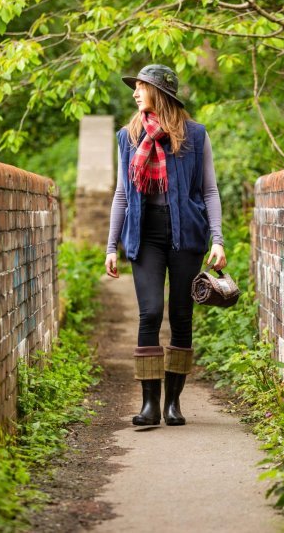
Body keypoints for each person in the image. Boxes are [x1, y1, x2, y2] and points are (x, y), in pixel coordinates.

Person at [104, 64, 226, 427]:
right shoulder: (127, 137)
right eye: (135, 87)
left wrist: (217, 239)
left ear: (160, 93)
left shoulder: (195, 136)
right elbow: (122, 193)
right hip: (144, 236)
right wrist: (112, 245)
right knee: (151, 312)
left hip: (186, 235)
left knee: (182, 316)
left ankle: (173, 404)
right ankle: (149, 406)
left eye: (141, 87)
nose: (135, 93)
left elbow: (209, 190)